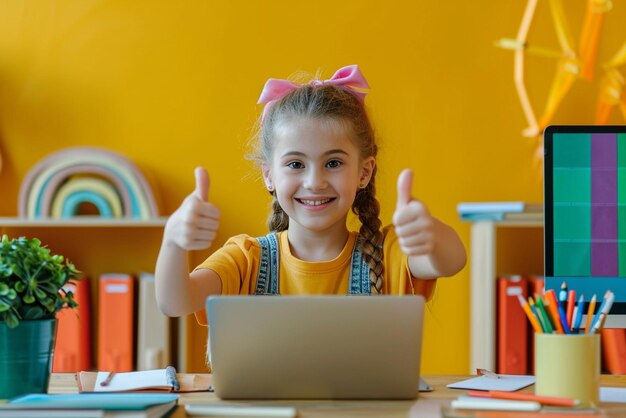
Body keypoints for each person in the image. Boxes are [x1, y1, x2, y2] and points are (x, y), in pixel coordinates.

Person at [154, 64, 466, 321]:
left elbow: (451, 260)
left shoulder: (388, 254)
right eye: (295, 164)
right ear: (269, 175)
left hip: (369, 401)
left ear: (364, 172)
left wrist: (430, 234)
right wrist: (173, 240)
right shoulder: (246, 259)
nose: (314, 182)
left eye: (332, 162)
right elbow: (176, 302)